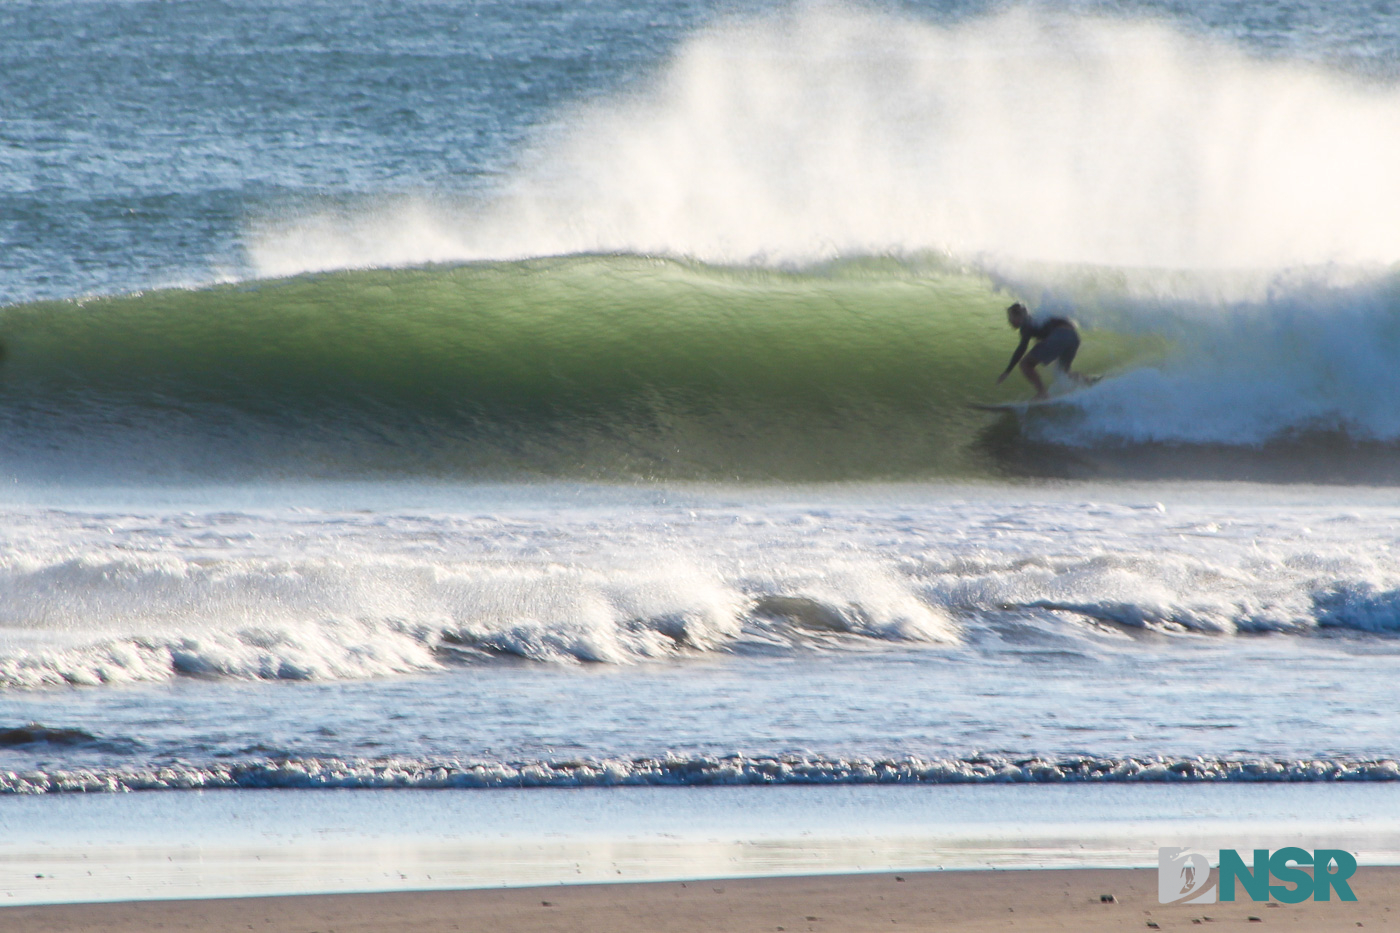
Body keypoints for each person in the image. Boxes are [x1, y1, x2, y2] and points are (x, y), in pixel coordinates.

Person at [996, 302, 1088, 400]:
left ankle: (1042, 393)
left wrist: (1007, 371)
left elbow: (1022, 347)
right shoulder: (1037, 318)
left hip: (1060, 335)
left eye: (1010, 317)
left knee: (1025, 364)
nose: (1010, 321)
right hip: (1073, 337)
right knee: (1063, 372)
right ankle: (1089, 381)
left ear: (1018, 316)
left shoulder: (1026, 323)